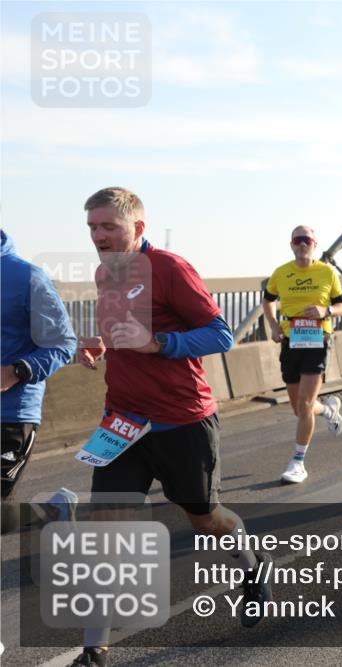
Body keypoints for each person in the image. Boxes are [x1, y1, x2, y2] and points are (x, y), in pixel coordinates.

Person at [73, 188, 272, 666]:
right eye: (93, 229)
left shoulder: (170, 268)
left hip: (182, 421)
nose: (99, 237)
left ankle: (252, 563)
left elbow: (219, 334)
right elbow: (129, 334)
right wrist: (104, 344)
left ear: (138, 229)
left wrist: (158, 342)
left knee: (205, 520)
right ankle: (94, 650)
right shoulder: (105, 274)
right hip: (122, 422)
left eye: (109, 228)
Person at [1, 230, 77, 534]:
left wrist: (18, 370)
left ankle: (52, 510)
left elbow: (63, 344)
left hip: (9, 415)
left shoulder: (26, 277)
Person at [262, 225, 342, 484]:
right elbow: (267, 299)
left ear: (314, 244)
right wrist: (274, 326)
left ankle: (298, 462)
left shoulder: (327, 272)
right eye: (298, 240)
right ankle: (328, 411)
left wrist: (326, 312)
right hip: (291, 340)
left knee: (306, 403)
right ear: (291, 244)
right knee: (300, 408)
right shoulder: (281, 273)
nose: (302, 244)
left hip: (318, 339)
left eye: (307, 240)